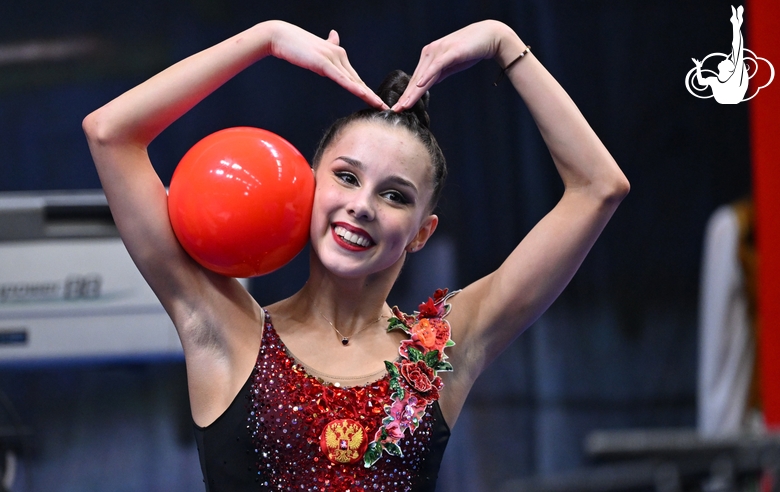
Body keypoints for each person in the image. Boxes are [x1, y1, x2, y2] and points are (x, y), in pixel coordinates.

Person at [83, 19, 629, 492]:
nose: (362, 206)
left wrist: (504, 43)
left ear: (421, 232)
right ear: (309, 186)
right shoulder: (227, 328)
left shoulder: (440, 348)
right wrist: (263, 39)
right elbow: (110, 134)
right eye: (346, 177)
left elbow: (598, 188)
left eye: (395, 196)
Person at [692, 5, 748, 104]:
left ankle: (736, 23)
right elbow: (701, 82)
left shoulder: (731, 77)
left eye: (727, 61)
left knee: (737, 50)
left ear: (729, 69)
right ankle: (736, 23)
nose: (725, 59)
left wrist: (698, 67)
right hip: (729, 97)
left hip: (733, 96)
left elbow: (737, 49)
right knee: (737, 51)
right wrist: (698, 67)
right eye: (729, 61)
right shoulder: (715, 80)